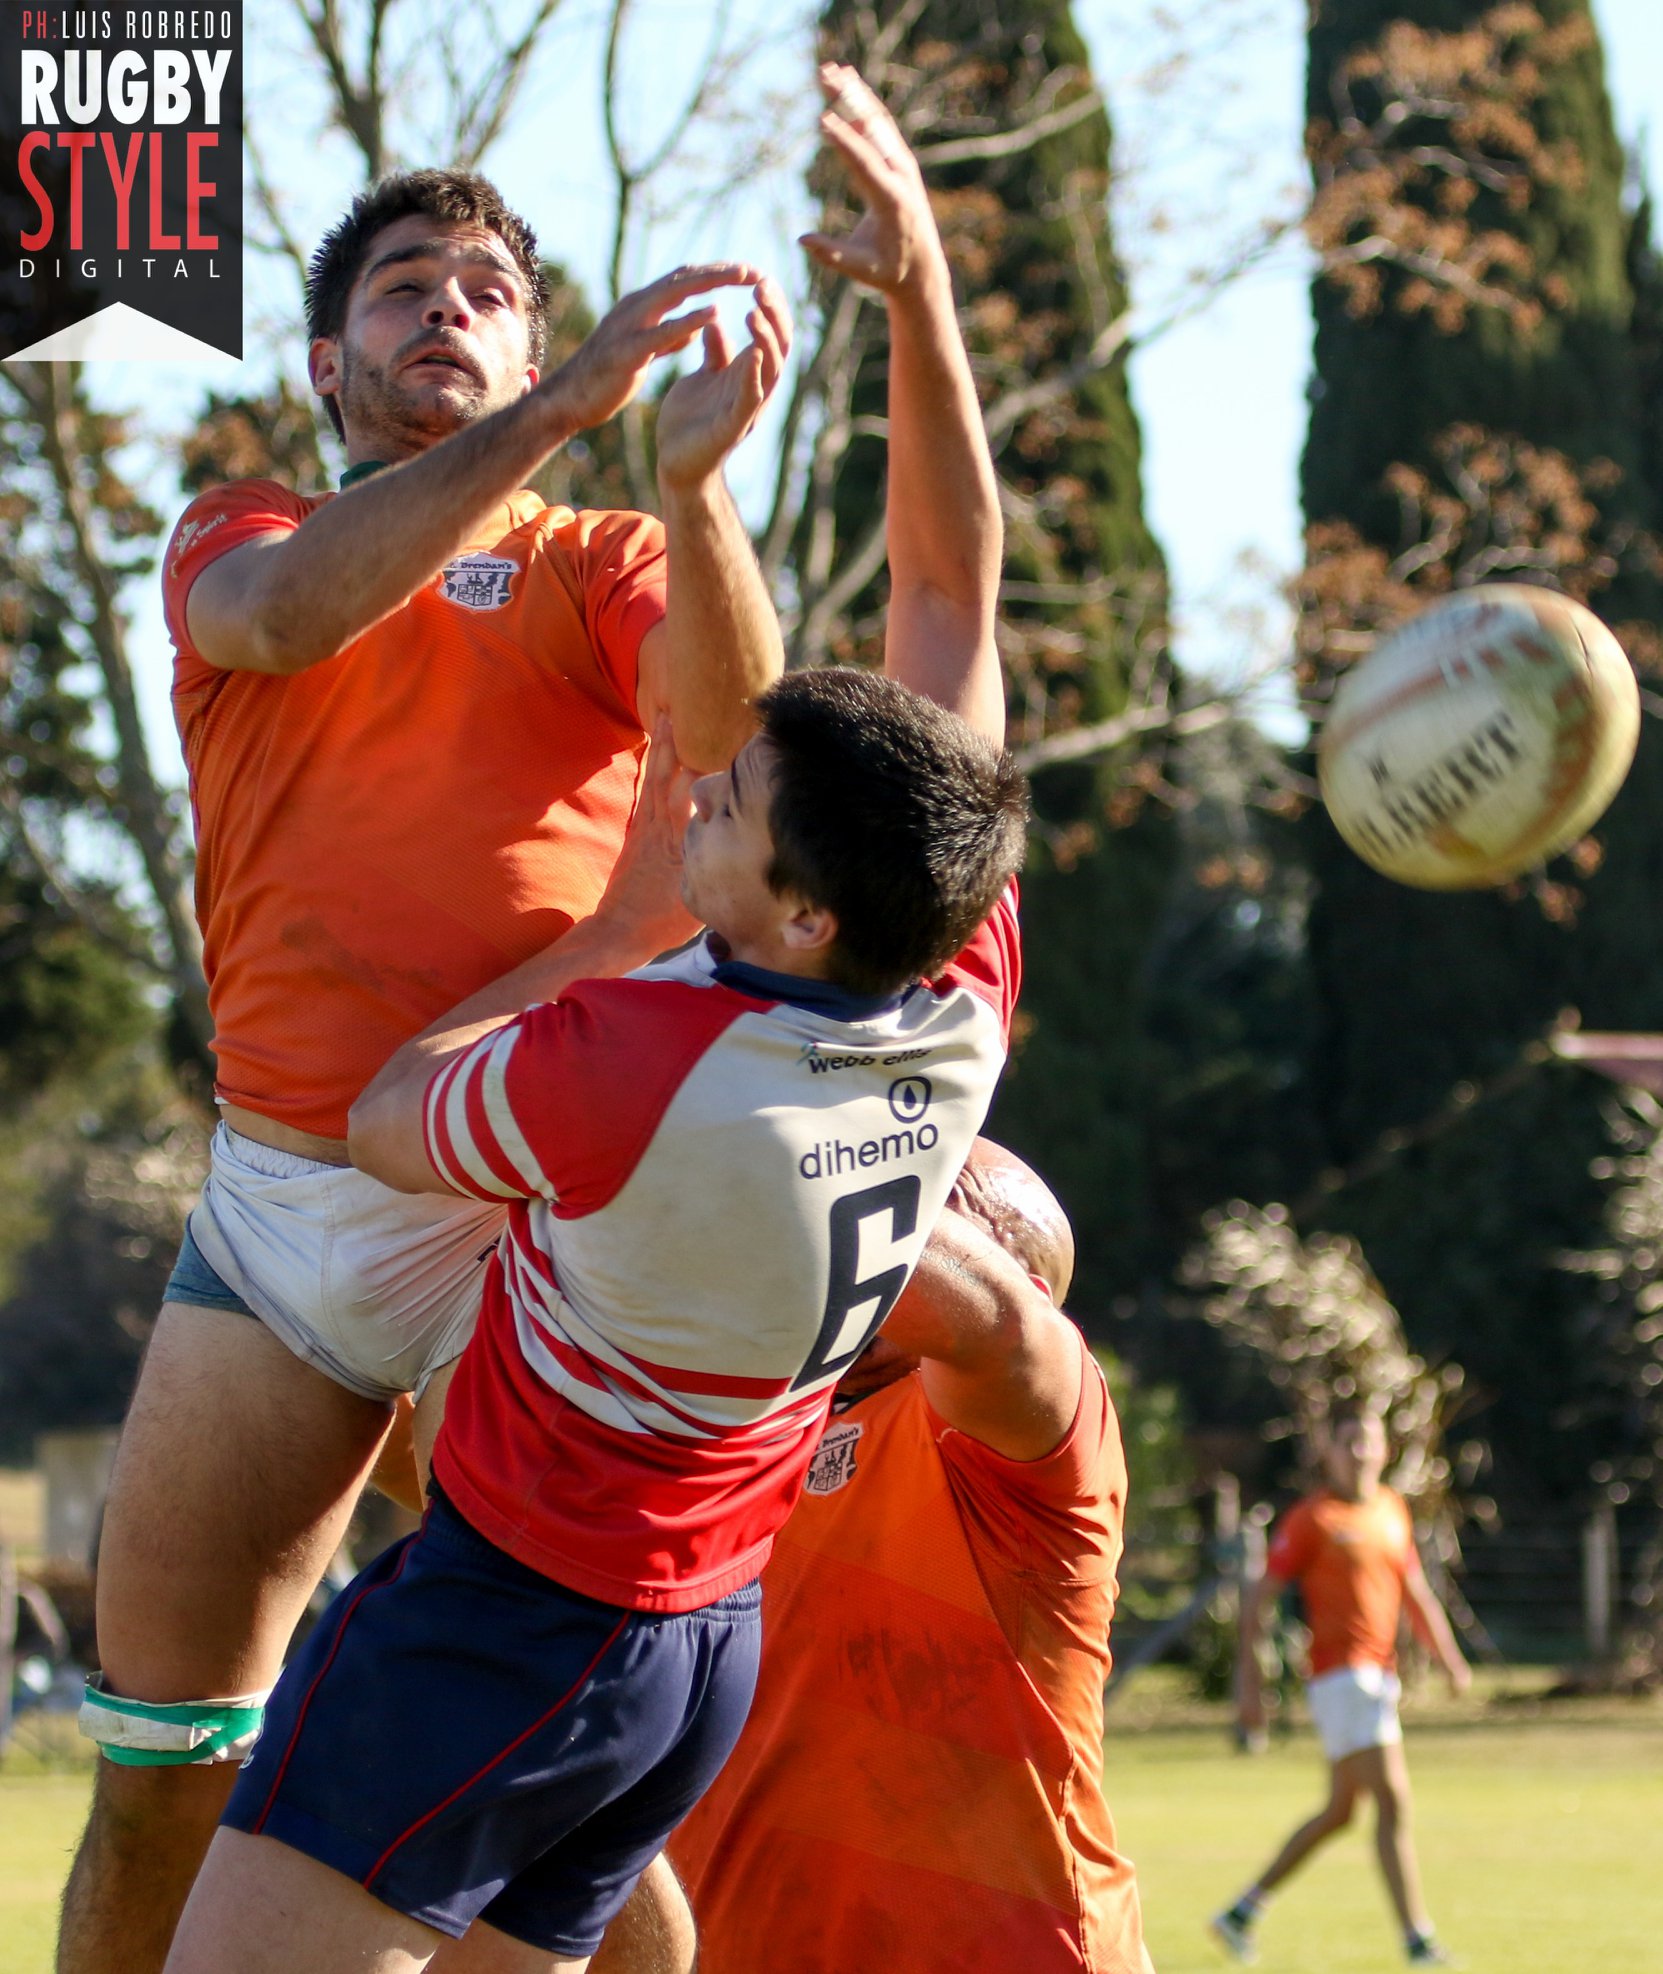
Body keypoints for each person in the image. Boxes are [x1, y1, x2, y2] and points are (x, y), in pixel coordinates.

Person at [61, 165, 791, 1974]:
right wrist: (558, 405)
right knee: (161, 1762)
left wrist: (686, 484)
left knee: (575, 1792)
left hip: (518, 1235)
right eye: (404, 286)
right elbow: (283, 618)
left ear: (541, 343)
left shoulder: (607, 553)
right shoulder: (235, 526)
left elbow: (734, 745)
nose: (448, 307)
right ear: (327, 358)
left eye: (487, 287)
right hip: (277, 1215)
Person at [160, 661, 1027, 1973]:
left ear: (804, 912)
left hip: (510, 1619)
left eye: (727, 808)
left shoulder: (632, 1060)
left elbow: (386, 1118)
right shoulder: (954, 1011)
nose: (686, 802)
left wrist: (606, 932)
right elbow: (952, 646)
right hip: (694, 1648)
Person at [667, 1136, 1149, 1972]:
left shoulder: (1027, 1417)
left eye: (914, 1192)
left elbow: (996, 1327)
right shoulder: (743, 1433)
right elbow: (471, 1483)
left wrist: (776, 1124)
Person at [1211, 1403, 1471, 1968]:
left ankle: (1241, 1912)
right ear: (1328, 1453)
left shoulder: (1392, 1511)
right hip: (1341, 1675)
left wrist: (1450, 1661)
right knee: (1394, 1801)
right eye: (1347, 1441)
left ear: (1384, 1449)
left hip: (1378, 1677)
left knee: (1341, 1811)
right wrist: (1250, 1682)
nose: (1359, 1452)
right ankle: (1418, 1941)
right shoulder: (1312, 1519)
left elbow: (1417, 1594)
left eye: (1367, 1441)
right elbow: (1260, 1600)